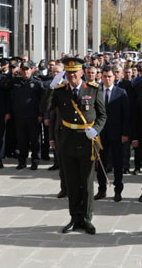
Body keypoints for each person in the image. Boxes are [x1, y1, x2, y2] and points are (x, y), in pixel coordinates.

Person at [51, 58, 106, 235]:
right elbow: (44, 107)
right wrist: (50, 88)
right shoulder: (60, 91)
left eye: (75, 72)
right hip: (67, 141)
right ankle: (75, 218)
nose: (72, 75)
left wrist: (96, 130)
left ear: (82, 72)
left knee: (87, 182)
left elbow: (102, 115)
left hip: (87, 142)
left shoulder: (93, 89)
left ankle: (87, 218)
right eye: (68, 72)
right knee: (72, 182)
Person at [96, 65, 131, 202]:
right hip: (101, 134)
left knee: (117, 163)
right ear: (101, 77)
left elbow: (126, 115)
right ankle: (101, 189)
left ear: (114, 77)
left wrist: (125, 133)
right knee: (101, 164)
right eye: (105, 76)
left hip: (117, 134)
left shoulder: (121, 92)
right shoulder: (97, 91)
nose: (107, 79)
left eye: (110, 76)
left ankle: (118, 190)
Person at [9, 61, 45, 170]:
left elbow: (42, 101)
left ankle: (35, 162)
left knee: (35, 141)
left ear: (32, 70)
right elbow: (4, 85)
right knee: (21, 140)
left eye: (27, 69)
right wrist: (13, 72)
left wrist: (41, 114)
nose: (25, 71)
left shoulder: (38, 83)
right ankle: (22, 162)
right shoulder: (15, 82)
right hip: (20, 116)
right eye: (23, 69)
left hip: (33, 117)